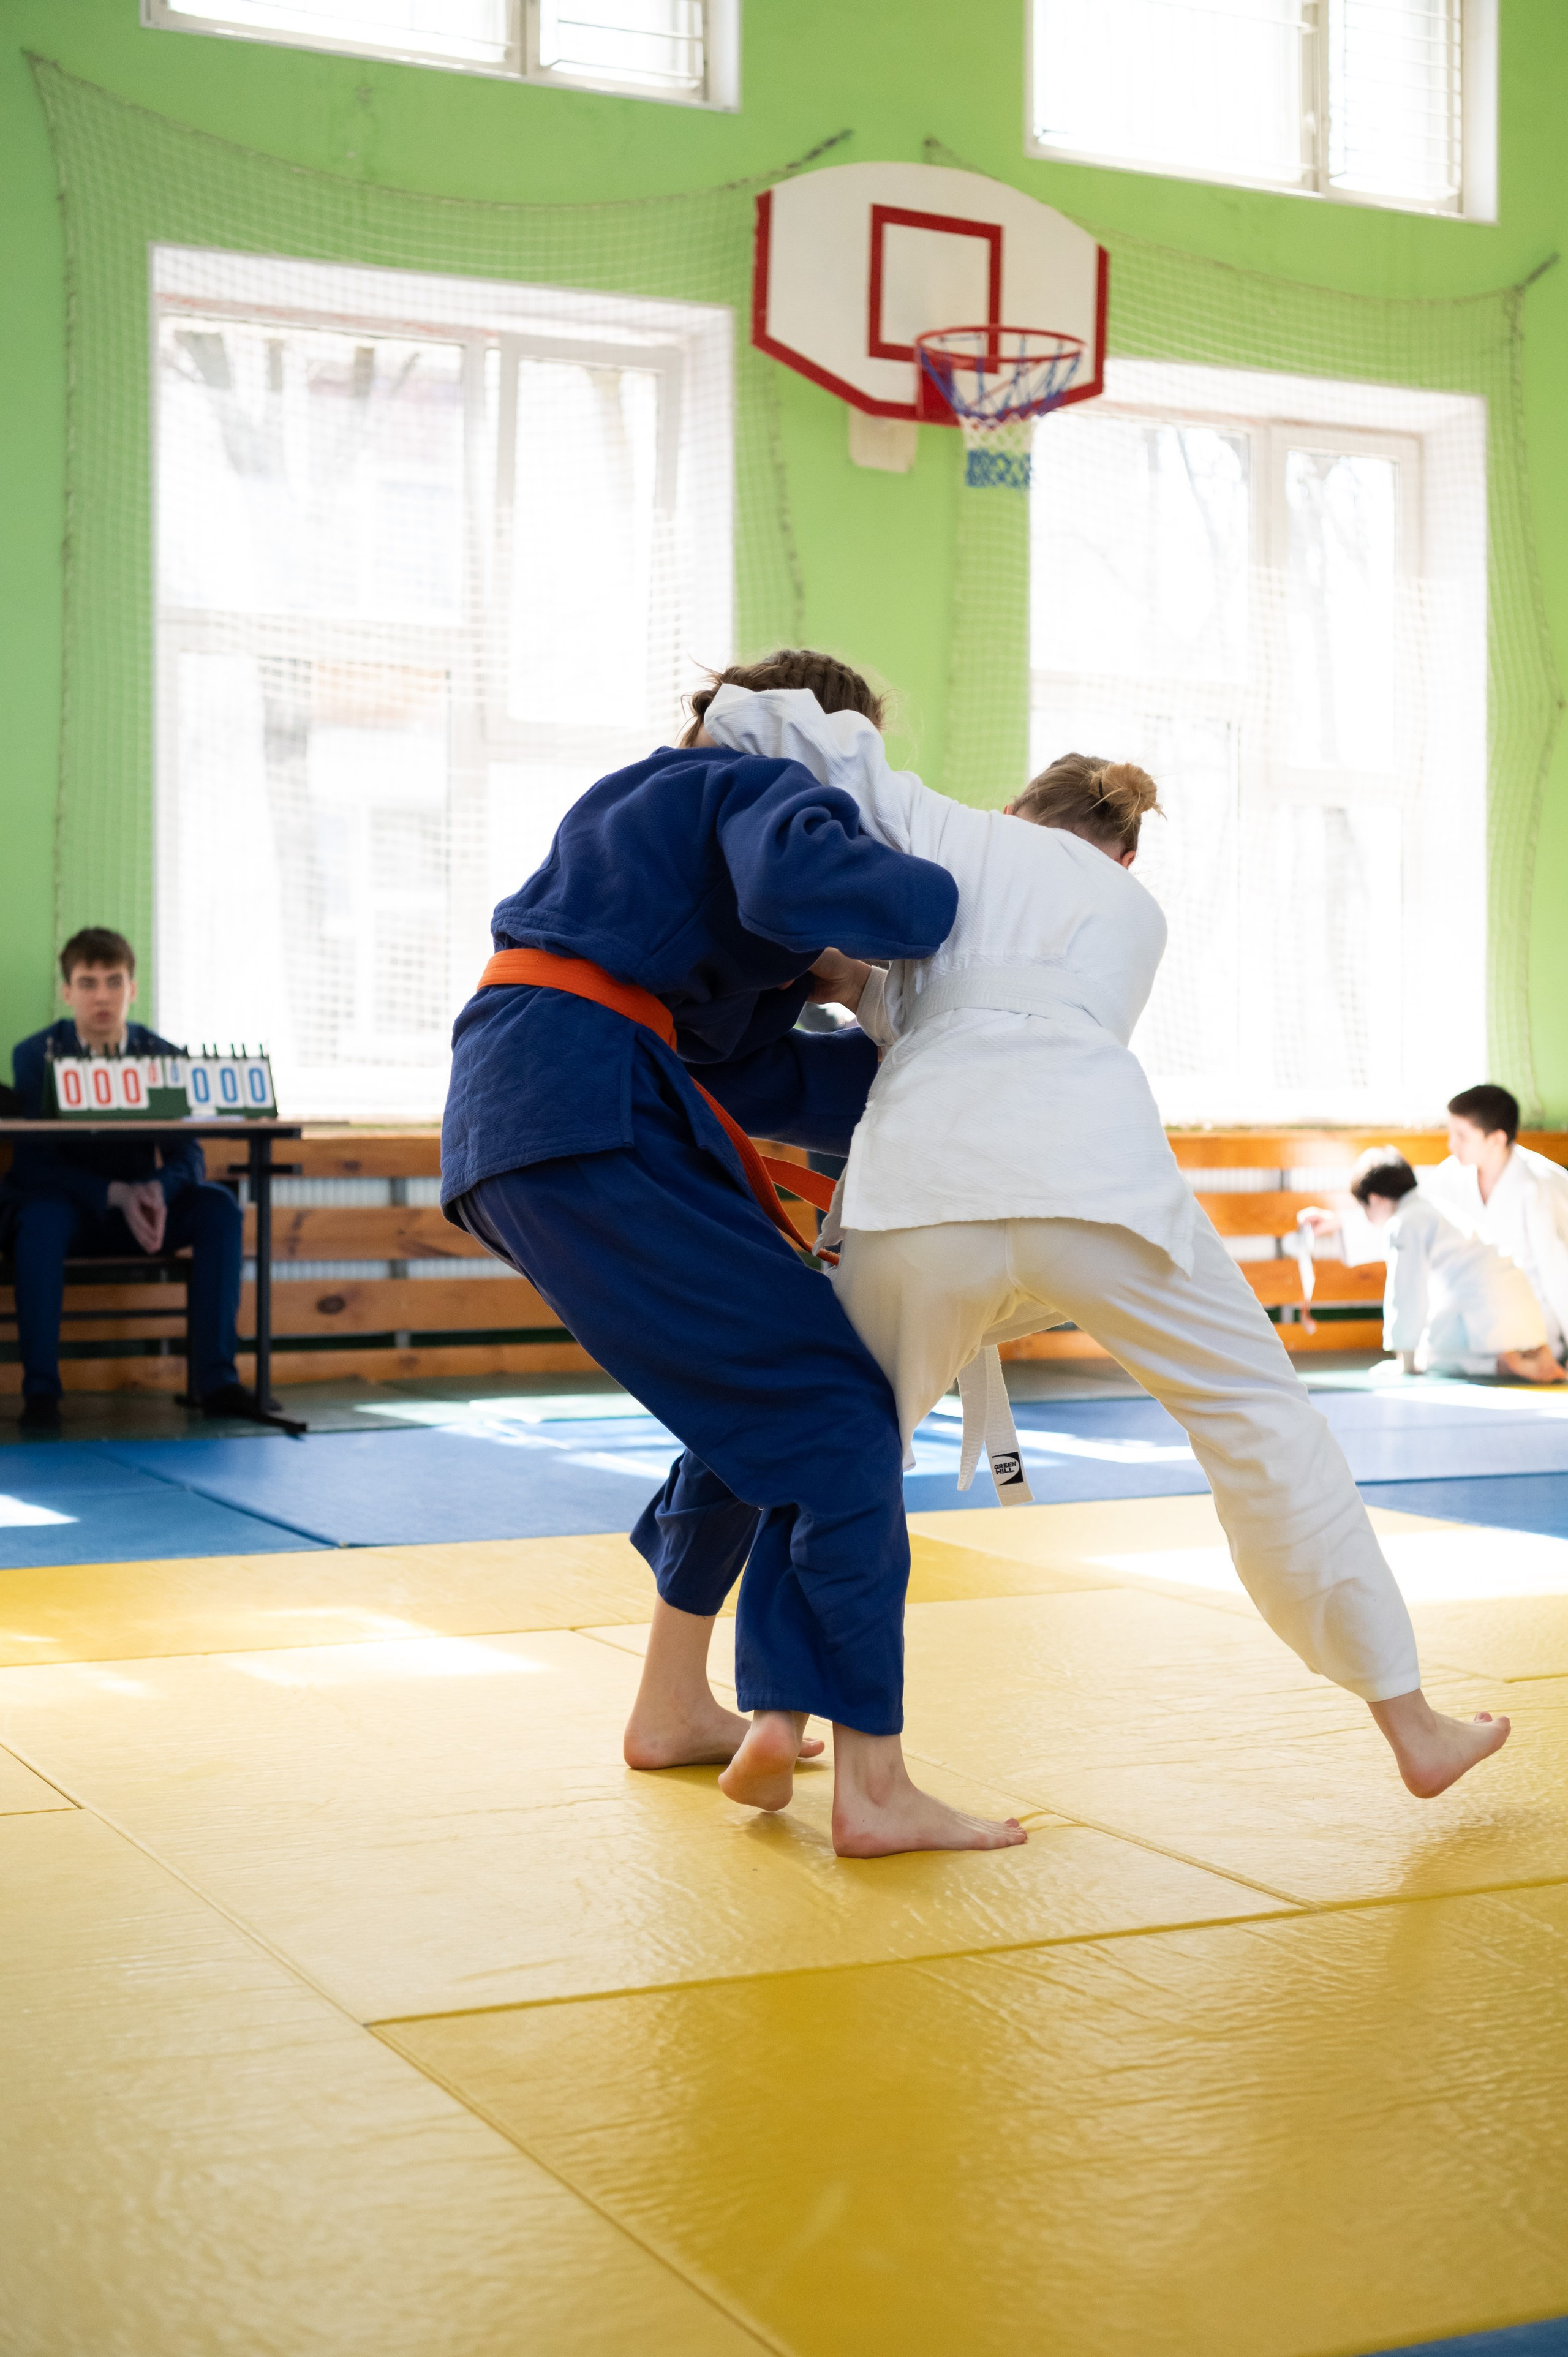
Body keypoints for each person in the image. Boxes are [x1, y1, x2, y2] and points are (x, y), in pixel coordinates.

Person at [703, 686, 1512, 1800]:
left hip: (929, 1190)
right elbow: (1003, 997)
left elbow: (811, 747)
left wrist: (727, 707)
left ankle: (779, 1715)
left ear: (1018, 808)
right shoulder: (1138, 919)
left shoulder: (957, 836)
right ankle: (1412, 1723)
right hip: (1101, 1187)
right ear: (1125, 855)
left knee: (837, 1443)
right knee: (1261, 1420)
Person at [440, 649, 1027, 1857]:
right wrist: (946, 902)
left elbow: (748, 1070)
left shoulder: (644, 818)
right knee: (832, 1411)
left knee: (748, 1401)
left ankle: (670, 1706)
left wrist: (923, 1076)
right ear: (829, 752)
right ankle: (873, 1783)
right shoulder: (758, 789)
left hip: (538, 1109)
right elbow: (840, 885)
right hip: (583, 1108)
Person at [6, 927, 256, 1432]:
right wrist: (112, 1194)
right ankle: (40, 1393)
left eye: (114, 981)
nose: (102, 996)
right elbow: (33, 1164)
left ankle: (217, 1383)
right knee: (39, 1218)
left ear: (133, 989)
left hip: (145, 1211)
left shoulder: (161, 1054)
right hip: (70, 1208)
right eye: (89, 982)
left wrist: (157, 1191)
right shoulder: (35, 1055)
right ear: (68, 991)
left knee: (219, 1209)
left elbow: (190, 1157)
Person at [1302, 1148, 1565, 1384]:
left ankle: (1502, 1364)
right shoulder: (1429, 1207)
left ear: (1376, 1199)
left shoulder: (1404, 1223)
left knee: (1429, 1356)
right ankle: (1527, 1352)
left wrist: (1404, 1364)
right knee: (1437, 1334)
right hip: (1520, 1309)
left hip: (1485, 1312)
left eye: (1364, 1208)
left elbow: (1405, 1295)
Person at [1425, 1084, 1568, 1366]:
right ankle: (1506, 1365)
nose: (1451, 1145)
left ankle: (1519, 1363)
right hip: (1472, 1307)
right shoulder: (1449, 1177)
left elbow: (1560, 1272)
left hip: (1529, 1315)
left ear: (1496, 1139)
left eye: (1462, 1136)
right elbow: (1411, 1220)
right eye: (1451, 1133)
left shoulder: (1542, 1184)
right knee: (1431, 1353)